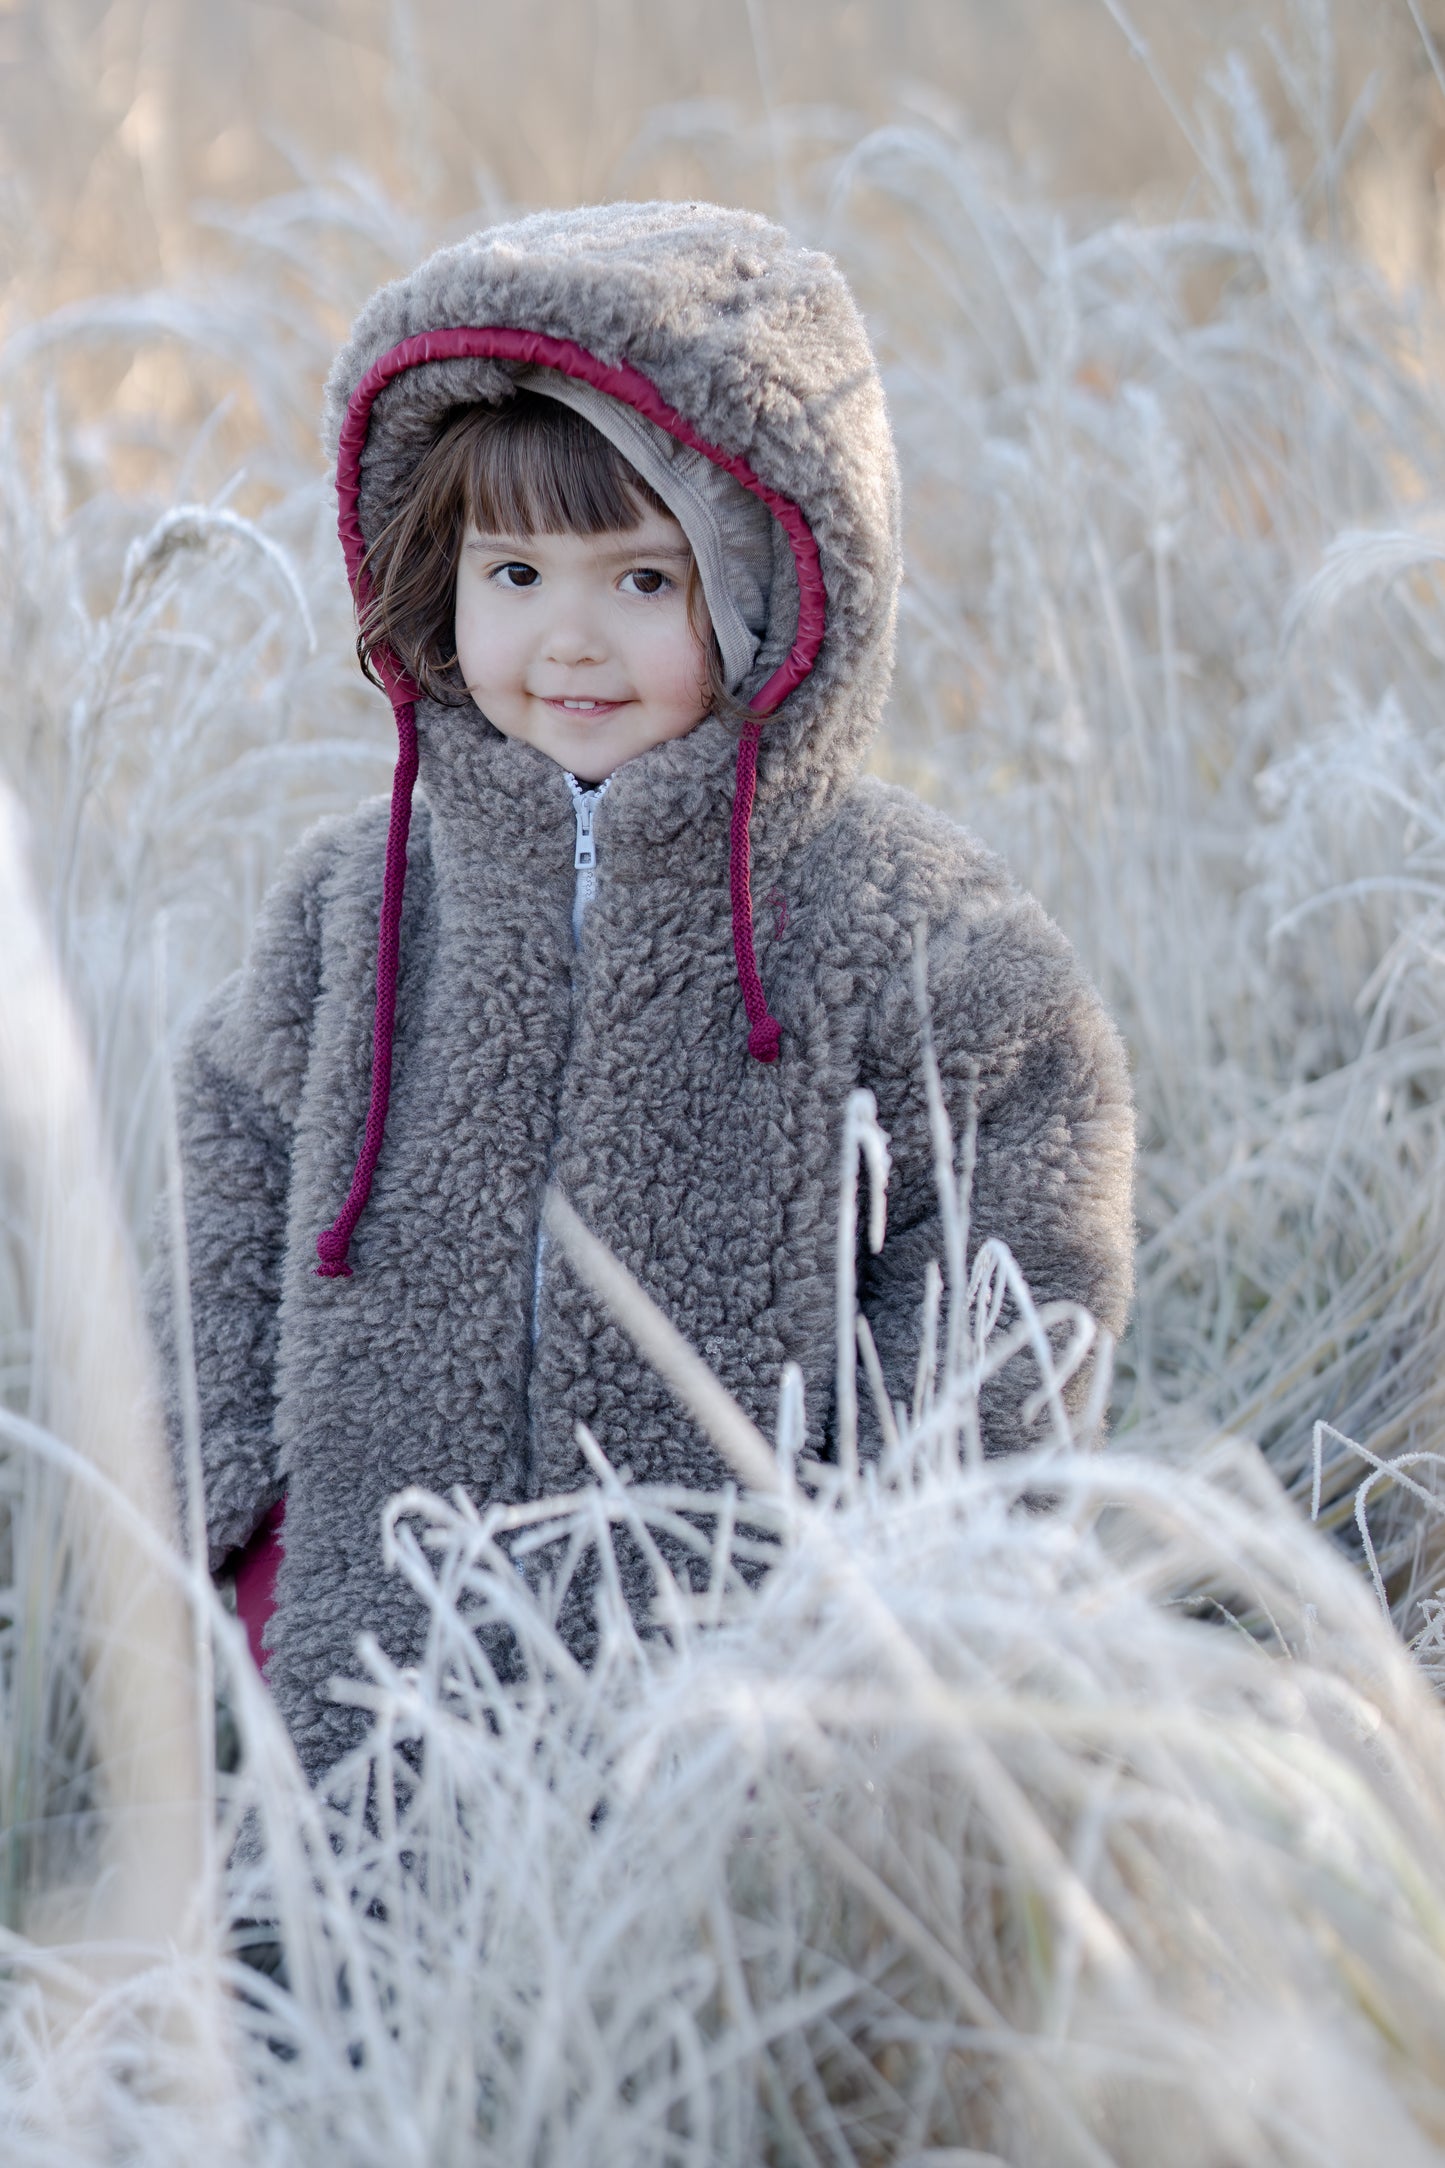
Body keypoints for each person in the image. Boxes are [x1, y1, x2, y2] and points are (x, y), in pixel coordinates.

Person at [154, 201, 1135, 1781]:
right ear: (439, 572)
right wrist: (240, 1522)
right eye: (518, 568)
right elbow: (229, 1178)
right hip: (365, 1679)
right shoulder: (359, 904)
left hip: (755, 1725)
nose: (566, 640)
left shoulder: (903, 923)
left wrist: (911, 1572)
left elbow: (1016, 1245)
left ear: (763, 593)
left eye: (642, 580)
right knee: (343, 2005)